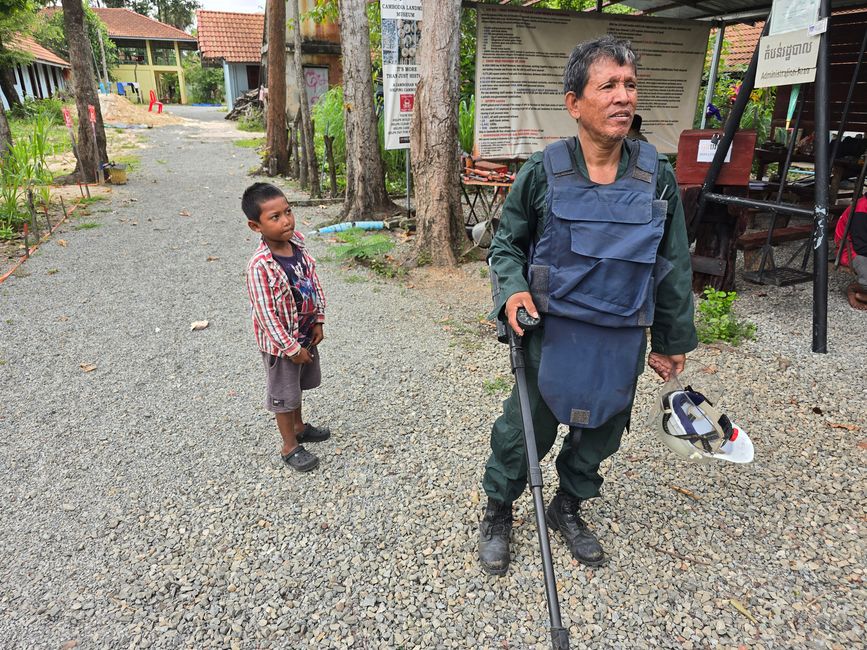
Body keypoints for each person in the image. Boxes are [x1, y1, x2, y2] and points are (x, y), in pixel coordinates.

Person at [478, 36, 697, 574]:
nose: (624, 97)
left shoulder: (655, 176)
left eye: (630, 85)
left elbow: (671, 265)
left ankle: (568, 505)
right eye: (609, 86)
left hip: (621, 332)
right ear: (575, 103)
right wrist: (512, 290)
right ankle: (499, 508)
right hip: (550, 332)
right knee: (524, 427)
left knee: (601, 429)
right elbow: (506, 245)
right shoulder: (543, 171)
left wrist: (671, 341)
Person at [243, 182, 330, 472]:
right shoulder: (259, 266)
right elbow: (266, 314)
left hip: (304, 335)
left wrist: (318, 319)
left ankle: (299, 426)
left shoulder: (299, 247)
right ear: (255, 226)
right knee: (283, 393)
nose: (286, 221)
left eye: (288, 212)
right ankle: (289, 445)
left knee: (297, 387)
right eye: (275, 217)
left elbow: (313, 284)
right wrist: (290, 348)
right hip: (282, 346)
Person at [834, 193, 867, 309]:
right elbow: (861, 246)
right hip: (850, 249)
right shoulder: (862, 207)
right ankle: (854, 290)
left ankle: (863, 296)